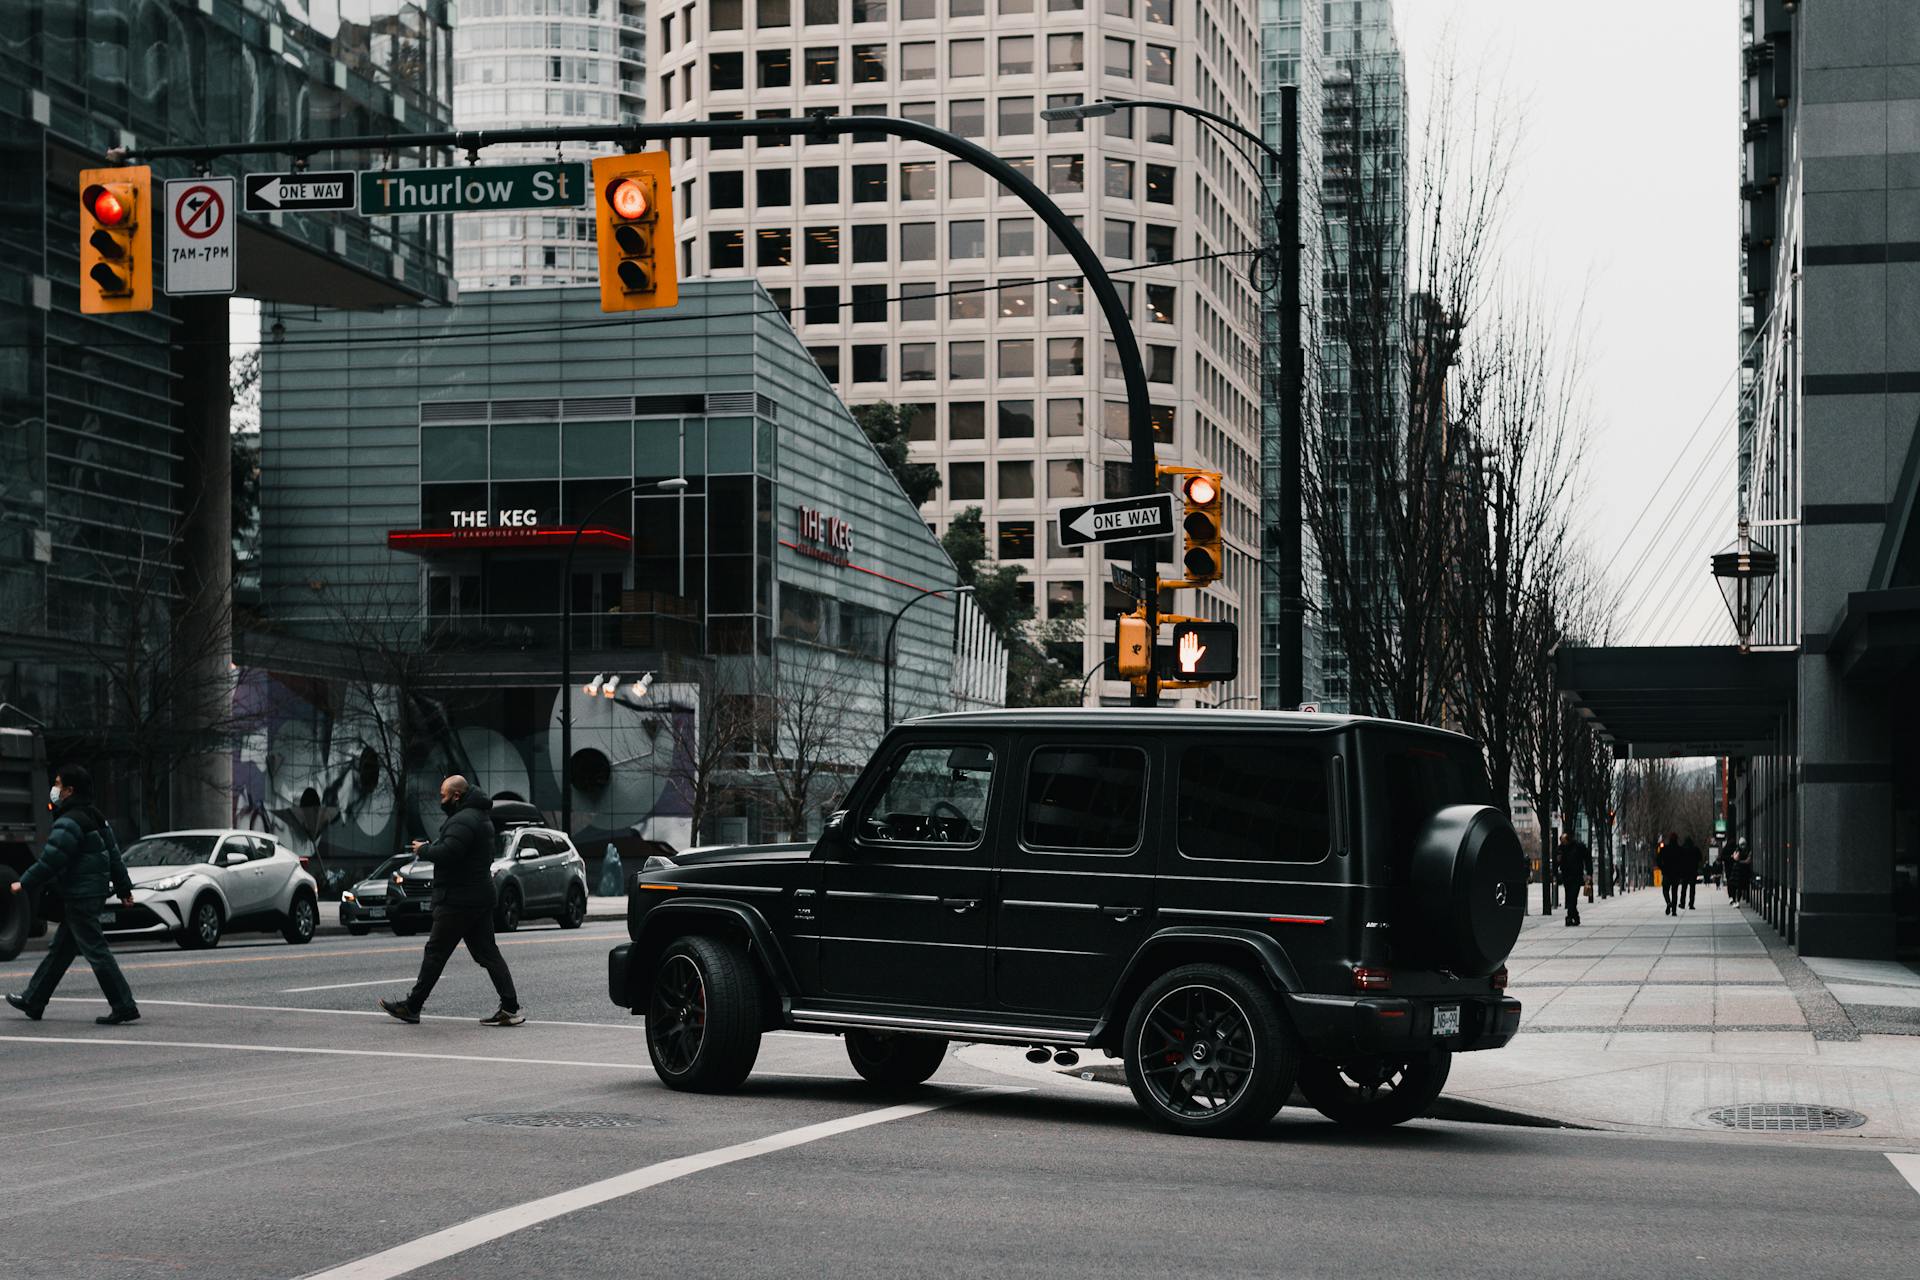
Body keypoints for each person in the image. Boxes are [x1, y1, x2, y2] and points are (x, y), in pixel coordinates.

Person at [380, 775, 522, 1027]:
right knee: (488, 953)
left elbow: (448, 853)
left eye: (444, 796)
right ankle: (510, 1007)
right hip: (476, 897)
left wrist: (423, 850)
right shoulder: (477, 817)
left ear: (457, 796)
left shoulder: (464, 820)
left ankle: (412, 1006)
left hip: (458, 900)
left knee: (435, 953)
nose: (441, 801)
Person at [5, 764, 139, 1025]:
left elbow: (51, 860)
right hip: (91, 893)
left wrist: (23, 883)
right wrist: (124, 889)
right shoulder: (96, 817)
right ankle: (34, 1000)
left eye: (57, 784)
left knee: (96, 951)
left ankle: (124, 1005)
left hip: (80, 894)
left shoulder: (68, 822)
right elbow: (114, 856)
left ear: (69, 790)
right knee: (61, 950)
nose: (53, 790)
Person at [1556, 830, 1591, 927]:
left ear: (1568, 840)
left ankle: (1569, 917)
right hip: (1566, 876)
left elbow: (1587, 858)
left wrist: (1589, 873)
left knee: (1573, 897)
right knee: (1570, 897)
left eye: (1564, 841)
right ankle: (1575, 917)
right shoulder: (1561, 849)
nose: (1563, 843)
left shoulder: (1578, 847)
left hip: (1576, 876)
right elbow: (1557, 861)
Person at [1657, 831, 1682, 916]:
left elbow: (1658, 859)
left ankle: (1668, 902)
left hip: (1667, 873)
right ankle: (1674, 911)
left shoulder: (1665, 849)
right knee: (1674, 892)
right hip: (1676, 874)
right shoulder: (1679, 849)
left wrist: (1662, 868)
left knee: (1665, 889)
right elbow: (1683, 862)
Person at [1679, 834, 1703, 910]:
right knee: (1692, 888)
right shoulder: (1695, 849)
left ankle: (1682, 903)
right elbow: (1700, 858)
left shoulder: (1682, 849)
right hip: (1693, 871)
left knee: (1684, 888)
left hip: (1684, 872)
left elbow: (1678, 860)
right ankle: (1691, 904)